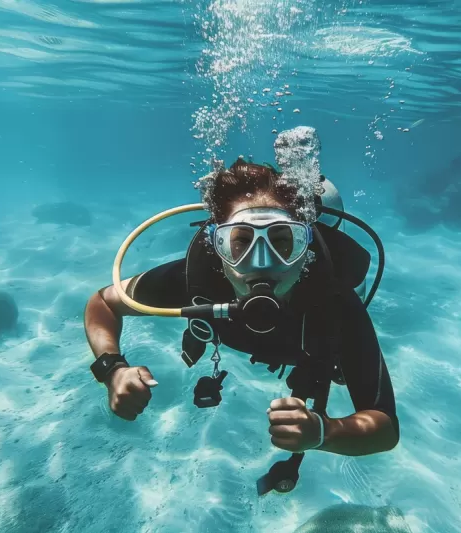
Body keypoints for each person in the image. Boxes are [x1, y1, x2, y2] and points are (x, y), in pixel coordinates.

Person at [83, 158, 399, 482]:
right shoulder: (197, 278)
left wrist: (326, 432)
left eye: (281, 241)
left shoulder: (336, 305)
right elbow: (102, 304)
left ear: (305, 249)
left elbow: (385, 428)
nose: (261, 264)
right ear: (218, 246)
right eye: (242, 242)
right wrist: (112, 369)